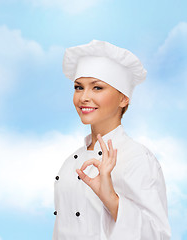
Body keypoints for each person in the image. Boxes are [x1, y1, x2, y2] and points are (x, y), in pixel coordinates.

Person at [52, 40, 171, 240]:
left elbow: (157, 235)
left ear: (123, 98)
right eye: (79, 87)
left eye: (97, 88)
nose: (84, 97)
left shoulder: (136, 158)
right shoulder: (71, 161)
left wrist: (111, 199)